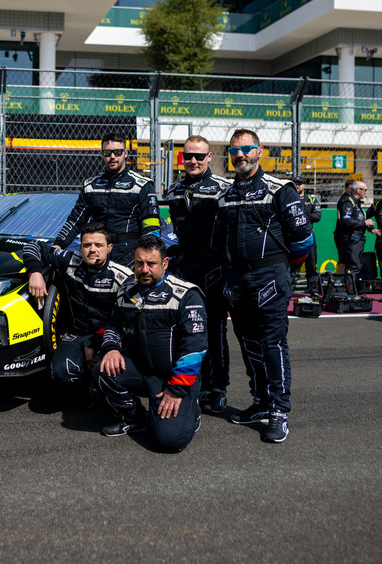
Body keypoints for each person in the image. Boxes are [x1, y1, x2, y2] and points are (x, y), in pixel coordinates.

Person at [218, 129, 314, 443]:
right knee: (249, 344)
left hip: (270, 277)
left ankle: (279, 410)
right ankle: (261, 402)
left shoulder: (280, 189)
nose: (240, 155)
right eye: (234, 151)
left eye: (246, 149)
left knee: (272, 343)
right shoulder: (226, 195)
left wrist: (280, 271)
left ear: (260, 151)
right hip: (238, 280)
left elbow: (303, 239)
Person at [95, 235, 207, 453]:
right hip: (141, 371)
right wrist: (111, 348)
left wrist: (176, 389)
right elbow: (113, 326)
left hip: (173, 378)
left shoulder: (186, 294)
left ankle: (192, 410)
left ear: (165, 263)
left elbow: (195, 346)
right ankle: (134, 417)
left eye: (151, 264)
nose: (144, 269)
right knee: (102, 369)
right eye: (139, 263)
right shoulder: (127, 290)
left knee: (169, 440)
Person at [24, 223, 133, 404]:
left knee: (110, 371)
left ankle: (116, 400)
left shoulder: (123, 277)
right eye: (87, 245)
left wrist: (95, 346)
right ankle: (85, 398)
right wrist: (34, 272)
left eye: (98, 245)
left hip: (111, 336)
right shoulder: (70, 260)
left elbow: (126, 322)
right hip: (78, 333)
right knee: (61, 372)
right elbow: (32, 245)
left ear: (109, 248)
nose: (93, 250)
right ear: (80, 247)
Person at [163, 135, 231, 414]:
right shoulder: (173, 191)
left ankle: (218, 387)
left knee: (215, 329)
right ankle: (195, 382)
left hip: (215, 269)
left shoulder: (225, 188)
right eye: (188, 156)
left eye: (199, 156)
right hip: (185, 270)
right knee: (186, 328)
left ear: (209, 157)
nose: (193, 161)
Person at [53, 132, 160, 267]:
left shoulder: (142, 185)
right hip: (96, 254)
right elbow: (76, 220)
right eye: (107, 153)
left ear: (125, 153)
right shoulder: (91, 186)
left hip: (129, 257)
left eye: (118, 152)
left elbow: (151, 227)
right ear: (102, 154)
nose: (112, 157)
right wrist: (58, 245)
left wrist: (147, 258)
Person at [334, 180, 374, 286]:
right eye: (364, 190)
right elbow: (346, 221)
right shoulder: (348, 201)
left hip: (356, 239)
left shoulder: (356, 202)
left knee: (352, 265)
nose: (366, 192)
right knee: (353, 266)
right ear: (358, 190)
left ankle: (348, 289)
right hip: (350, 239)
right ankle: (349, 291)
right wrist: (364, 223)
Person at [292, 176, 322, 297]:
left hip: (308, 235)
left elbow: (317, 216)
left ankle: (313, 289)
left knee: (312, 264)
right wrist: (306, 217)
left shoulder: (311, 199)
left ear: (305, 185)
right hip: (292, 236)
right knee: (291, 265)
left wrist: (301, 217)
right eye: (295, 183)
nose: (297, 185)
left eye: (299, 183)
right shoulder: (288, 199)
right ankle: (288, 290)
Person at [333, 179, 356, 274]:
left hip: (347, 234)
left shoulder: (353, 200)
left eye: (353, 189)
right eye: (350, 189)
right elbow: (340, 217)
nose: (351, 191)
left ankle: (345, 279)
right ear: (345, 188)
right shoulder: (345, 200)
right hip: (342, 234)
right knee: (343, 260)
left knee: (348, 260)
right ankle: (339, 279)